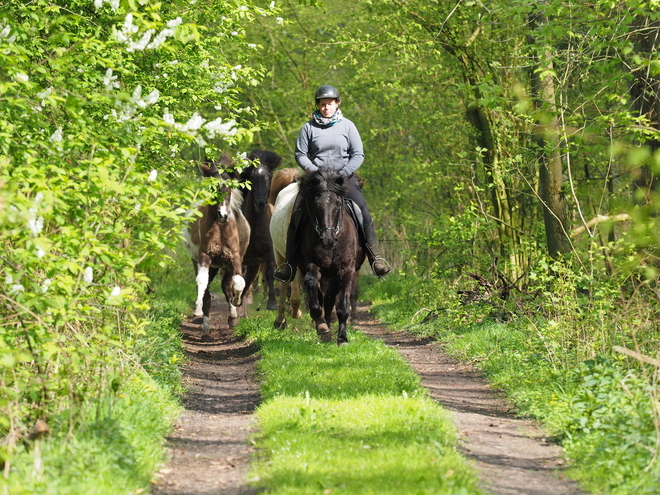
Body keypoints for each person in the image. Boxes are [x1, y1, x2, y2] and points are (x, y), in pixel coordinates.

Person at [274, 84, 392, 282]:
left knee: (361, 208)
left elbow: (358, 154)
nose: (326, 107)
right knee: (297, 210)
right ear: (318, 105)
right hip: (316, 180)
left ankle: (375, 258)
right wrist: (314, 173)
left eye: (330, 103)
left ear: (337, 104)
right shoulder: (308, 127)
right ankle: (290, 264)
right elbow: (300, 154)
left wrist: (344, 174)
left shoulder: (348, 126)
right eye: (322, 104)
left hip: (342, 178)